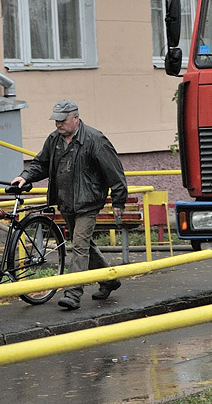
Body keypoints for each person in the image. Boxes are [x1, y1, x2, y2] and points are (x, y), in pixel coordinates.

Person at [11, 100, 129, 310]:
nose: (58, 124)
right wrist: (25, 177)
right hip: (66, 202)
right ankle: (110, 280)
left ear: (75, 118)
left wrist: (119, 200)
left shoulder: (94, 139)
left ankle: (73, 294)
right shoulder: (54, 140)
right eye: (55, 120)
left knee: (79, 247)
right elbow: (41, 164)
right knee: (85, 245)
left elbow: (115, 172)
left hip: (88, 202)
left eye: (62, 120)